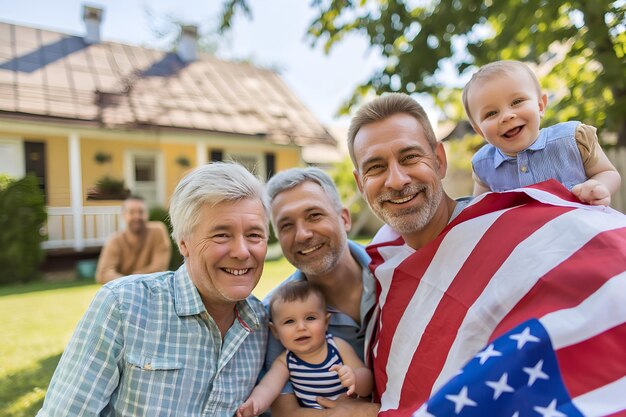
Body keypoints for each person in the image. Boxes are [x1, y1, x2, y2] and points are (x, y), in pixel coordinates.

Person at [348, 93, 626, 416]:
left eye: (410, 157)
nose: (397, 180)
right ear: (359, 183)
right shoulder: (384, 270)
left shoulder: (519, 224)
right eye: (376, 167)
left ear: (440, 160)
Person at [37, 162, 270, 417]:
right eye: (221, 235)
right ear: (184, 243)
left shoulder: (264, 324)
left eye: (254, 235)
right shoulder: (123, 306)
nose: (241, 252)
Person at [264, 167, 379, 416]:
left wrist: (370, 411)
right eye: (286, 225)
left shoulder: (396, 274)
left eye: (314, 215)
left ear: (344, 219)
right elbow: (285, 411)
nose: (303, 234)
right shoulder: (275, 315)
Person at [461, 59, 620, 205]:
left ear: (540, 106)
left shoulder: (572, 140)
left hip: (583, 231)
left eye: (517, 102)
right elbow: (481, 210)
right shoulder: (484, 165)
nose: (506, 116)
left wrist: (598, 187)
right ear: (479, 131)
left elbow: (608, 173)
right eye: (491, 113)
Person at [237, 280, 373, 417]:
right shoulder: (285, 361)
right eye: (289, 321)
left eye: (310, 318)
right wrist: (255, 404)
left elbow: (368, 385)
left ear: (326, 322)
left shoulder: (338, 347)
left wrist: (354, 377)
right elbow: (268, 387)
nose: (301, 327)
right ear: (275, 331)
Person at [95, 195, 171, 283]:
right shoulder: (114, 240)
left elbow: (159, 268)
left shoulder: (158, 231)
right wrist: (130, 282)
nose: (137, 216)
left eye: (141, 212)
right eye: (132, 212)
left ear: (147, 214)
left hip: (152, 290)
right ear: (123, 215)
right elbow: (103, 274)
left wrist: (129, 279)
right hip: (122, 293)